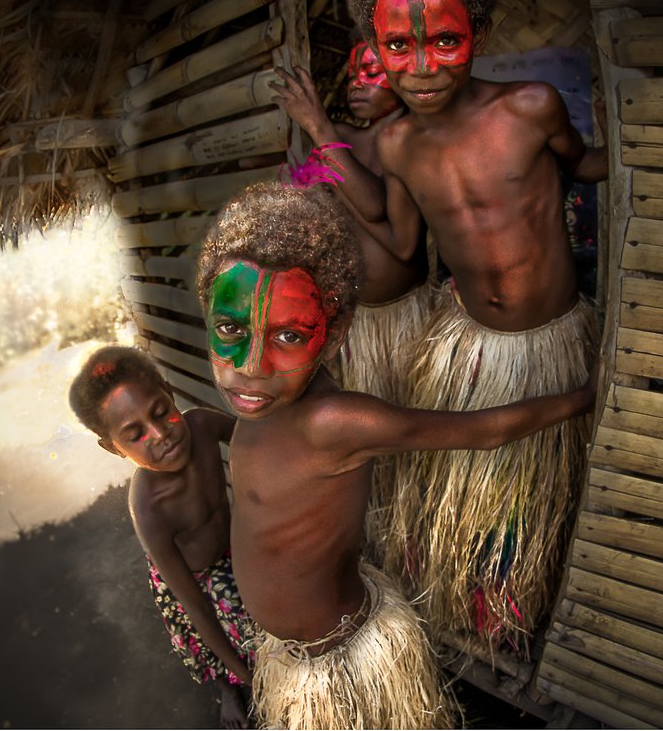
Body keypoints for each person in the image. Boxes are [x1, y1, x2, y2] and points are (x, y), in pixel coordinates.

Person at [196, 182, 596, 729]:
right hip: (294, 657)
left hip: (342, 663)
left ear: (333, 336)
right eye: (229, 329)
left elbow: (484, 431)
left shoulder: (334, 423)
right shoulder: (258, 406)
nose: (251, 364)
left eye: (288, 336)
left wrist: (581, 398)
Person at [345, 0, 609, 655]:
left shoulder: (531, 107)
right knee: (458, 489)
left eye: (445, 40)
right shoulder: (399, 145)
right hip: (470, 349)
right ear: (376, 43)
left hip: (548, 342)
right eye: (399, 45)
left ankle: (517, 600)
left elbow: (586, 167)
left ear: (480, 37)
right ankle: (470, 603)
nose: (425, 66)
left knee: (531, 491)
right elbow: (408, 243)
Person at [270, 40, 431, 557]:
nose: (358, 82)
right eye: (354, 71)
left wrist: (318, 128)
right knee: (373, 445)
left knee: (417, 432)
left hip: (407, 320)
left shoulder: (406, 140)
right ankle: (387, 544)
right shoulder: (338, 140)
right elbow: (305, 196)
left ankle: (426, 533)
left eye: (373, 72)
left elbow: (377, 205)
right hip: (359, 327)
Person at [69, 346, 254, 729]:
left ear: (169, 392)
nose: (160, 434)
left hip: (235, 543)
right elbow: (195, 607)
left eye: (160, 412)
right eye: (135, 435)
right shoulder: (149, 510)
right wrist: (248, 675)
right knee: (213, 641)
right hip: (195, 582)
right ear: (112, 447)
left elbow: (257, 439)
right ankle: (228, 689)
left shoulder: (201, 425)